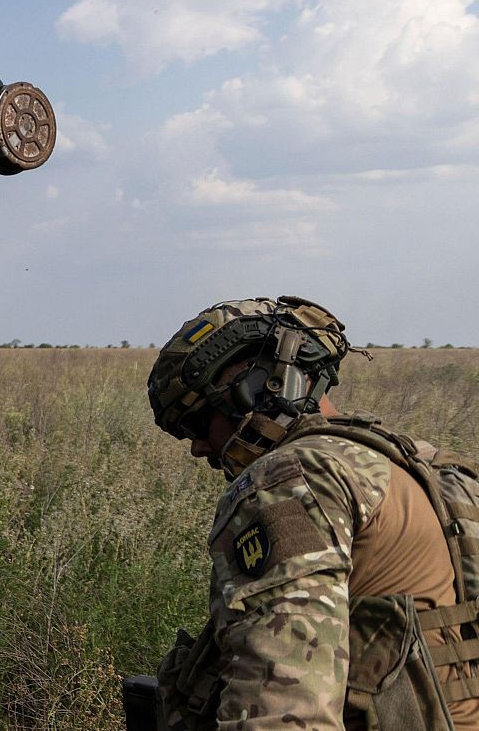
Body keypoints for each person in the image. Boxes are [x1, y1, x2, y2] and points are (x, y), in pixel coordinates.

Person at [148, 296, 479, 730]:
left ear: (261, 386)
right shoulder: (437, 470)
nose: (198, 447)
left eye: (197, 422)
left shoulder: (291, 478)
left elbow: (282, 709)